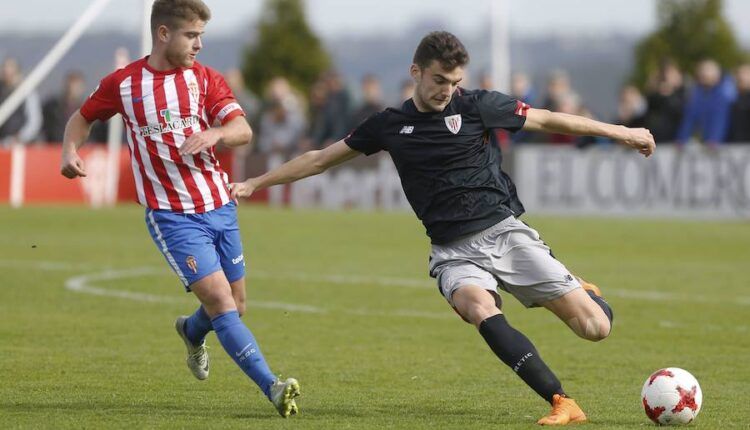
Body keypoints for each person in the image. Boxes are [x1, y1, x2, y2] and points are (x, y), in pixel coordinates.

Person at [230, 31, 655, 426]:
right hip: (452, 251)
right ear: (416, 72)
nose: (446, 90)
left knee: (595, 328)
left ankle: (583, 291)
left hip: (504, 234)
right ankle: (562, 401)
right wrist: (255, 182)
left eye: (453, 82)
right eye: (438, 80)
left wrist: (623, 132)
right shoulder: (389, 124)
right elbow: (320, 159)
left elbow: (546, 119)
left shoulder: (477, 105)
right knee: (477, 307)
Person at [58, 0, 300, 418]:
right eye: (192, 35)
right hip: (171, 215)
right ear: (164, 33)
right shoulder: (124, 83)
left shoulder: (205, 80)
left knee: (236, 305)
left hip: (219, 205)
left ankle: (191, 331)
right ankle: (273, 387)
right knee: (222, 303)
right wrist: (69, 150)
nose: (199, 45)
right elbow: (82, 118)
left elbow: (243, 130)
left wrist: (216, 133)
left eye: (202, 35)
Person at [0, 57, 42, 145]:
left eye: (10, 68)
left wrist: (20, 137)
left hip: (19, 145)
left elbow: (34, 121)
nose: (6, 71)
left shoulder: (26, 93)